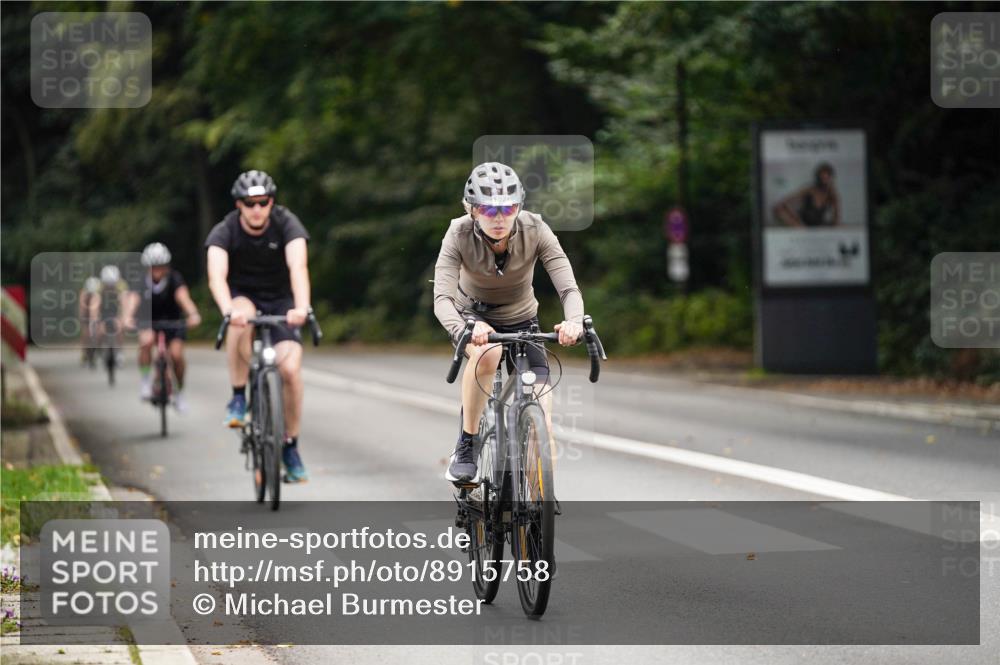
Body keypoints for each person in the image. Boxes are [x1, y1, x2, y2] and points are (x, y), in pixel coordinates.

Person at [433, 162, 584, 485]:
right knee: (487, 356)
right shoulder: (458, 233)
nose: (499, 217)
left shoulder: (536, 229)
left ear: (519, 206)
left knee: (542, 412)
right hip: (474, 319)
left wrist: (573, 322)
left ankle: (538, 505)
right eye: (488, 208)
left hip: (523, 319)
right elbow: (442, 300)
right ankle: (468, 444)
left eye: (508, 207)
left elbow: (568, 288)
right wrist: (465, 330)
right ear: (472, 210)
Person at [205, 170, 313, 483]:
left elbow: (299, 266)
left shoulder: (286, 223)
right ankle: (239, 396)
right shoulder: (225, 230)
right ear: (239, 204)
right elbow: (216, 275)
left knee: (291, 371)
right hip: (243, 297)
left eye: (262, 202)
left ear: (271, 202)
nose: (256, 209)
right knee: (240, 317)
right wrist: (227, 309)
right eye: (249, 203)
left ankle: (290, 445)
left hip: (282, 301)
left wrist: (302, 307)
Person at [127, 243, 201, 411]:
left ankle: (180, 393)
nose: (158, 271)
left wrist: (193, 314)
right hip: (149, 322)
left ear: (167, 266)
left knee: (176, 356)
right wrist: (128, 318)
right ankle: (146, 381)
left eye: (161, 266)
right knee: (146, 342)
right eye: (154, 267)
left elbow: (184, 298)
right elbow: (132, 302)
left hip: (173, 323)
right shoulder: (140, 282)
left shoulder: (175, 279)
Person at [772, 162, 841, 228]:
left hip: (819, 225)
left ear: (830, 179)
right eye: (822, 179)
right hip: (802, 225)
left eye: (827, 179)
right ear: (817, 178)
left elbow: (836, 218)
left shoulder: (832, 194)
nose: (824, 182)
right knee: (779, 209)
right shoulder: (810, 190)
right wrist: (794, 219)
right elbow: (784, 203)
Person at [96, 265, 130, 366]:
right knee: (99, 332)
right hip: (103, 312)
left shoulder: (122, 285)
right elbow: (95, 304)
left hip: (116, 311)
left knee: (119, 328)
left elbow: (125, 303)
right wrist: (96, 318)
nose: (110, 286)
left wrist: (123, 317)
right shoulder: (99, 287)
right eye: (108, 284)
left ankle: (119, 352)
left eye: (112, 284)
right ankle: (100, 352)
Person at [78, 275, 101, 367]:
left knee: (98, 334)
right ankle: (84, 353)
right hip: (86, 317)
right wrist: (82, 319)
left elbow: (97, 309)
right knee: (85, 334)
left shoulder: (98, 295)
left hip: (96, 317)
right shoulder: (83, 294)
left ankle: (98, 351)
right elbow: (82, 308)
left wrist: (97, 319)